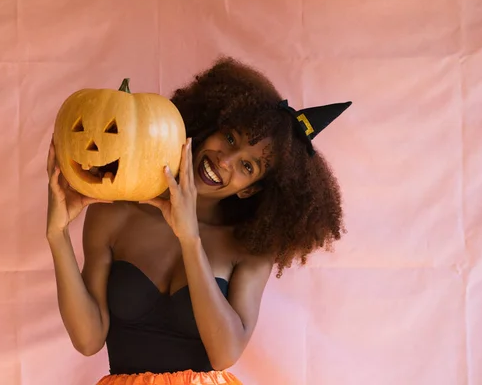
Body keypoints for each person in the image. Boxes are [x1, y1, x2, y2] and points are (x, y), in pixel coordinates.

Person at [45, 56, 351, 384]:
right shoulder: (114, 213)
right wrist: (57, 235)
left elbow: (224, 353)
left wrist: (189, 239)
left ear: (250, 190)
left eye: (248, 167)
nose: (226, 160)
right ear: (207, 128)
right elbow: (89, 340)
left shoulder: (249, 250)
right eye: (230, 138)